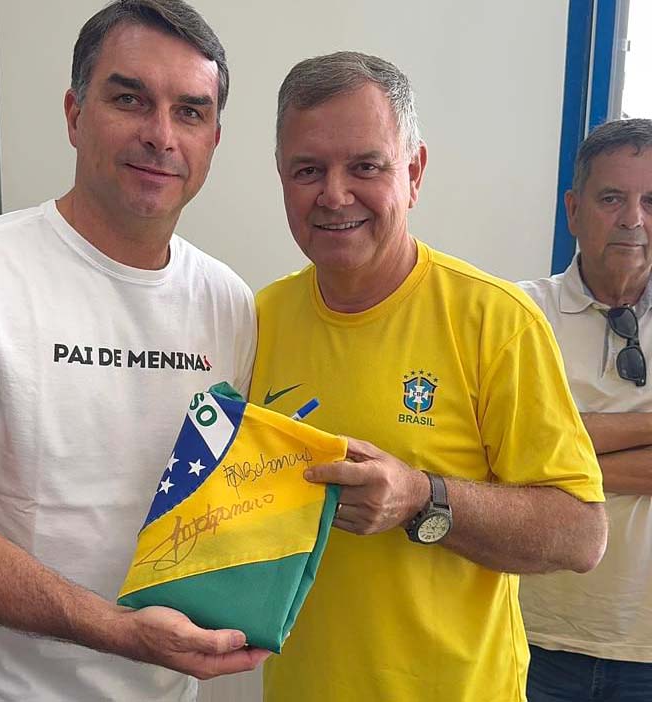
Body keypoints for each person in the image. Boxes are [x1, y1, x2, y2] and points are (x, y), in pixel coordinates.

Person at [0, 1, 267, 700]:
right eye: (129, 99)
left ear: (213, 139)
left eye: (190, 112)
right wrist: (117, 629)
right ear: (74, 113)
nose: (160, 136)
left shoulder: (230, 302)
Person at [249, 51, 608, 702]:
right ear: (281, 177)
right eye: (308, 170)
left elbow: (582, 534)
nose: (335, 194)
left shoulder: (496, 321)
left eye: (366, 166)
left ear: (413, 173)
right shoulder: (257, 319)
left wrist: (422, 498)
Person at [519, 118, 652, 702]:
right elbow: (500, 454)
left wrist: (553, 463)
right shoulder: (517, 314)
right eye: (612, 198)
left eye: (651, 201)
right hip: (532, 636)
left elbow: (531, 456)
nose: (633, 220)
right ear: (573, 211)